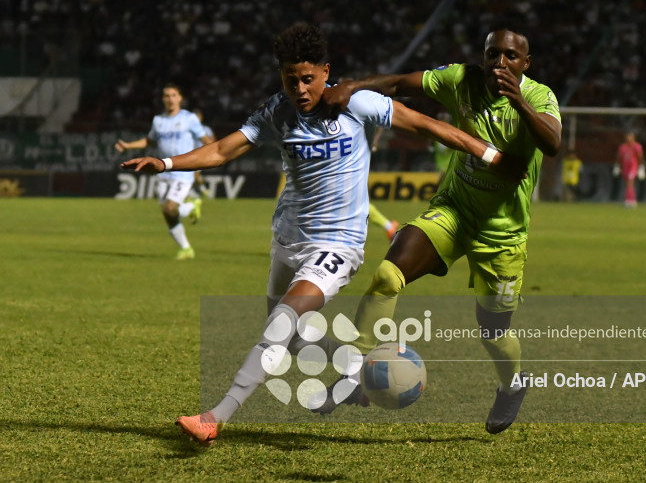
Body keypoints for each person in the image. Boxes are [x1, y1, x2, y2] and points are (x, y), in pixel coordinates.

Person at [120, 23, 523, 445]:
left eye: (308, 78)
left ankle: (215, 417)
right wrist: (165, 164)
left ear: (326, 71)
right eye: (290, 79)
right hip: (288, 239)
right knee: (291, 339)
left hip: (338, 246)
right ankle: (357, 365)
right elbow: (222, 150)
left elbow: (426, 125)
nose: (300, 88)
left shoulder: (356, 104)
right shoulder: (277, 111)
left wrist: (491, 154)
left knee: (279, 326)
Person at [319, 22, 562, 434]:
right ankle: (352, 369)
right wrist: (351, 87)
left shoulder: (539, 97)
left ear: (526, 63)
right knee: (386, 274)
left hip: (501, 235)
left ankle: (513, 382)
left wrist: (518, 100)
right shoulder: (461, 80)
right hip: (453, 210)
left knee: (493, 334)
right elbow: (397, 83)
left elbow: (553, 142)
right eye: (492, 53)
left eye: (510, 56)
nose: (499, 62)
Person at [116, 84, 212, 260]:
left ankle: (190, 212)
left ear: (180, 98)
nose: (170, 99)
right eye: (166, 96)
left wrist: (213, 156)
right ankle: (186, 246)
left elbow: (206, 140)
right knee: (168, 213)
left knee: (170, 208)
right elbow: (149, 141)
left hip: (183, 171)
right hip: (163, 171)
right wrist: (128, 145)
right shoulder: (158, 121)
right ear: (163, 99)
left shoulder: (189, 118)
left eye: (173, 95)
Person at [613, 131, 645, 208]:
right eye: (627, 137)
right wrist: (617, 166)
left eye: (630, 137)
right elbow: (619, 157)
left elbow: (640, 157)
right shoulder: (622, 147)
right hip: (625, 166)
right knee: (627, 183)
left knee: (630, 183)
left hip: (633, 166)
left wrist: (641, 168)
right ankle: (629, 199)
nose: (629, 138)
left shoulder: (637, 147)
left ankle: (631, 200)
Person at [190, 108, 217, 199]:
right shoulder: (187, 129)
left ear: (201, 118)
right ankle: (199, 191)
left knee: (194, 173)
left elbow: (212, 141)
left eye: (198, 117)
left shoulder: (206, 129)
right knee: (192, 174)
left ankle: (202, 190)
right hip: (188, 154)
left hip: (200, 154)